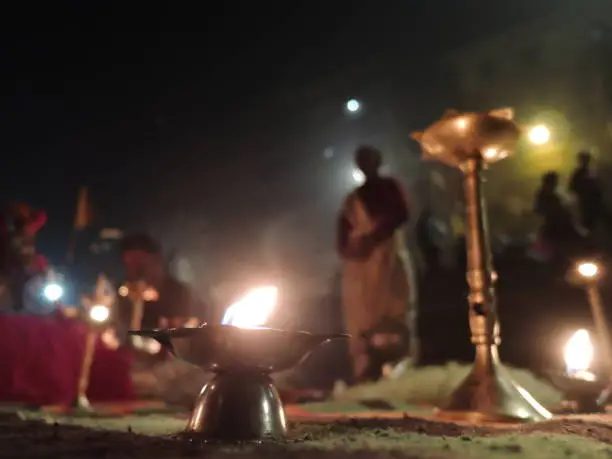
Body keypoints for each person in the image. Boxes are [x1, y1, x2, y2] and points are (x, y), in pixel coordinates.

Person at [336, 145, 415, 383]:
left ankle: (398, 369)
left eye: (369, 160)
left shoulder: (390, 188)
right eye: (361, 161)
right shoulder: (352, 199)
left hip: (388, 259)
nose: (365, 165)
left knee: (395, 309)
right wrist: (358, 248)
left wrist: (375, 236)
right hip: (360, 267)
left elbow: (401, 214)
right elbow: (342, 239)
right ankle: (365, 371)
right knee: (361, 316)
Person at [534, 171, 580, 260]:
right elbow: (540, 209)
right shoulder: (544, 194)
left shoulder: (551, 194)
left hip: (559, 223)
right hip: (553, 224)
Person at [569, 151, 607, 234]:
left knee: (603, 221)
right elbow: (572, 187)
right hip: (586, 202)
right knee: (589, 224)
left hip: (596, 201)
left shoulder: (592, 172)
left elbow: (600, 184)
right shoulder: (578, 173)